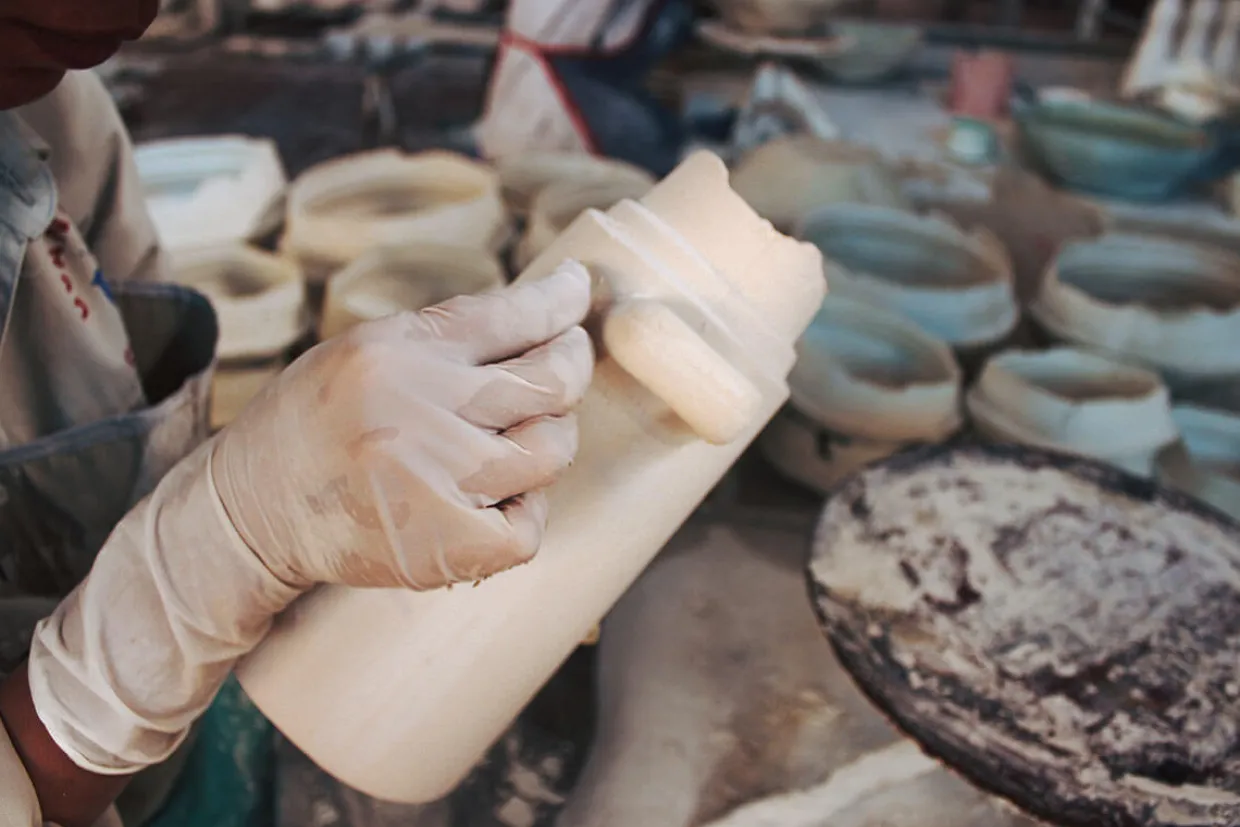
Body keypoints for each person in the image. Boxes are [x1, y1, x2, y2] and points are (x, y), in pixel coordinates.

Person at [0, 3, 596, 826]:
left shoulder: (50, 108)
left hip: (200, 737)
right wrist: (224, 544)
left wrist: (292, 493)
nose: (134, 12)